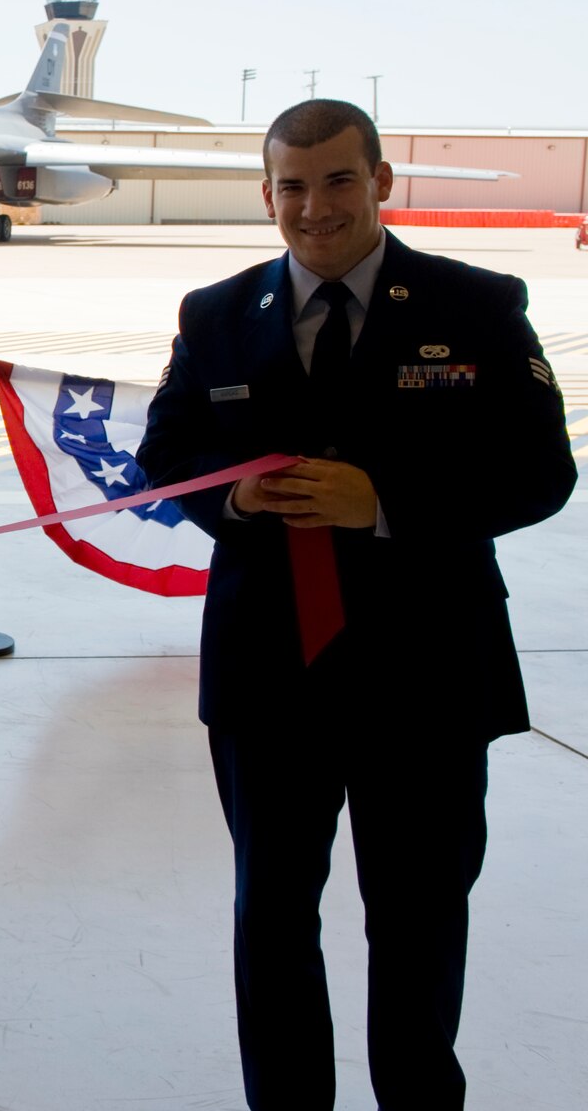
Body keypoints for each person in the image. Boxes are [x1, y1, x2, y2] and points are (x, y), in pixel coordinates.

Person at [137, 99, 576, 1109]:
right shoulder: (213, 316)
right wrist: (234, 496)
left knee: (418, 921)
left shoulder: (472, 306)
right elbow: (164, 459)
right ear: (265, 196)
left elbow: (538, 471)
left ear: (379, 182)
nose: (313, 208)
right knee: (270, 917)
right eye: (290, 186)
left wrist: (382, 502)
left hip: (423, 672)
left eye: (337, 180)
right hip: (266, 672)